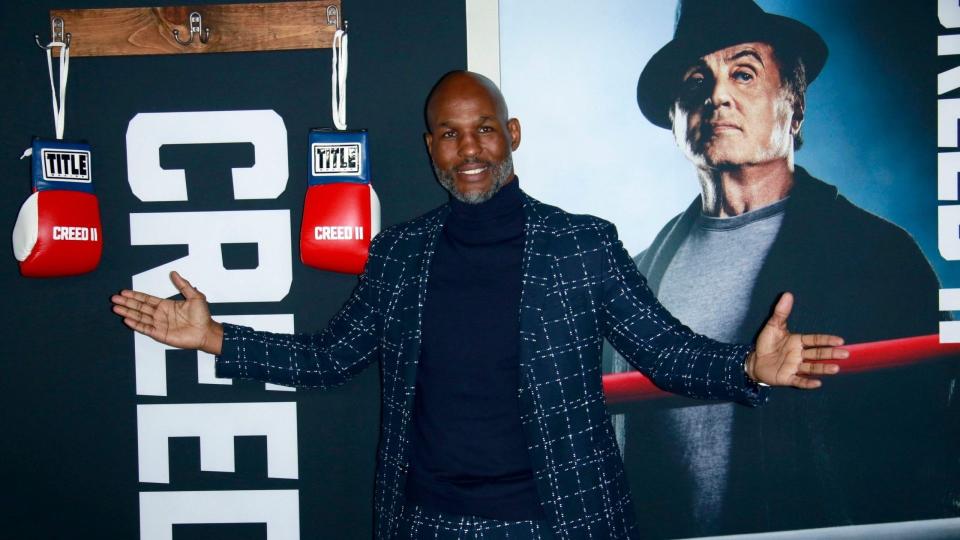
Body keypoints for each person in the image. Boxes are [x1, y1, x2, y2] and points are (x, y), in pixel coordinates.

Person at [112, 70, 846, 540]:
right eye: (451, 133)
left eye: (484, 128)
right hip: (426, 524)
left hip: (564, 523)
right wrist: (215, 338)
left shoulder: (581, 245)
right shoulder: (400, 255)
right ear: (432, 149)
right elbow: (330, 358)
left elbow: (665, 351)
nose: (470, 148)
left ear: (512, 136)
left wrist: (748, 365)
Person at [610, 0, 955, 536]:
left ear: (794, 108)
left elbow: (929, 447)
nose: (717, 94)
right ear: (674, 120)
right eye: (696, 80)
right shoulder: (635, 280)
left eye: (743, 72)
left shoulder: (877, 255)